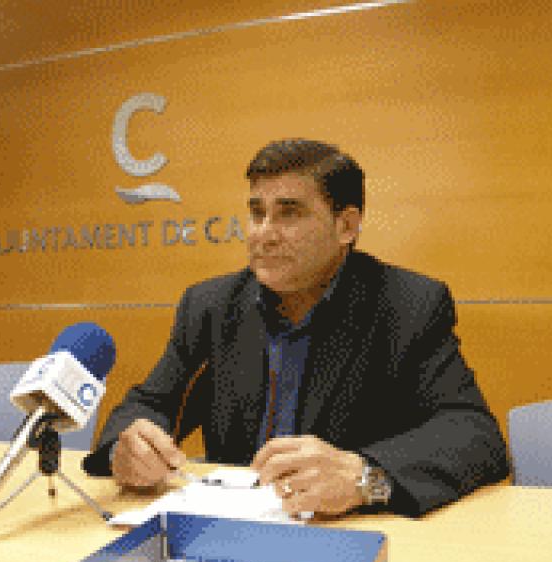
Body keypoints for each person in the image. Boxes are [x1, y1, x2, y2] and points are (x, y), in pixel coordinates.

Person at [84, 138, 509, 517]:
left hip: (347, 531)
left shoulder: (406, 304)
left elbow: (474, 434)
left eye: (288, 214)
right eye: (257, 213)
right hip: (229, 526)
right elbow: (149, 404)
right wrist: (127, 448)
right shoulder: (212, 306)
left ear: (346, 226)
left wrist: (365, 477)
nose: (264, 234)